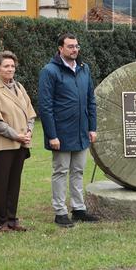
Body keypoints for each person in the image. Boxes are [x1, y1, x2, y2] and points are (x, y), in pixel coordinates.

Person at [38, 33, 99, 227]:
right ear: (60, 49)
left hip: (81, 131)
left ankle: (78, 209)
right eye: (70, 46)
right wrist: (52, 135)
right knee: (61, 171)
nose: (74, 50)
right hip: (61, 132)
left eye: (76, 46)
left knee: (78, 171)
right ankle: (60, 212)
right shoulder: (49, 71)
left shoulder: (84, 68)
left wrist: (92, 127)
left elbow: (90, 100)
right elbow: (45, 106)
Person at [0, 50, 36, 232]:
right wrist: (16, 135)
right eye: (6, 66)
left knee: (14, 183)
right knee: (1, 184)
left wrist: (29, 131)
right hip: (3, 145)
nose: (10, 69)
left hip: (21, 143)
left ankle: (12, 219)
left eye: (12, 66)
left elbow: (30, 113)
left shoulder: (19, 87)